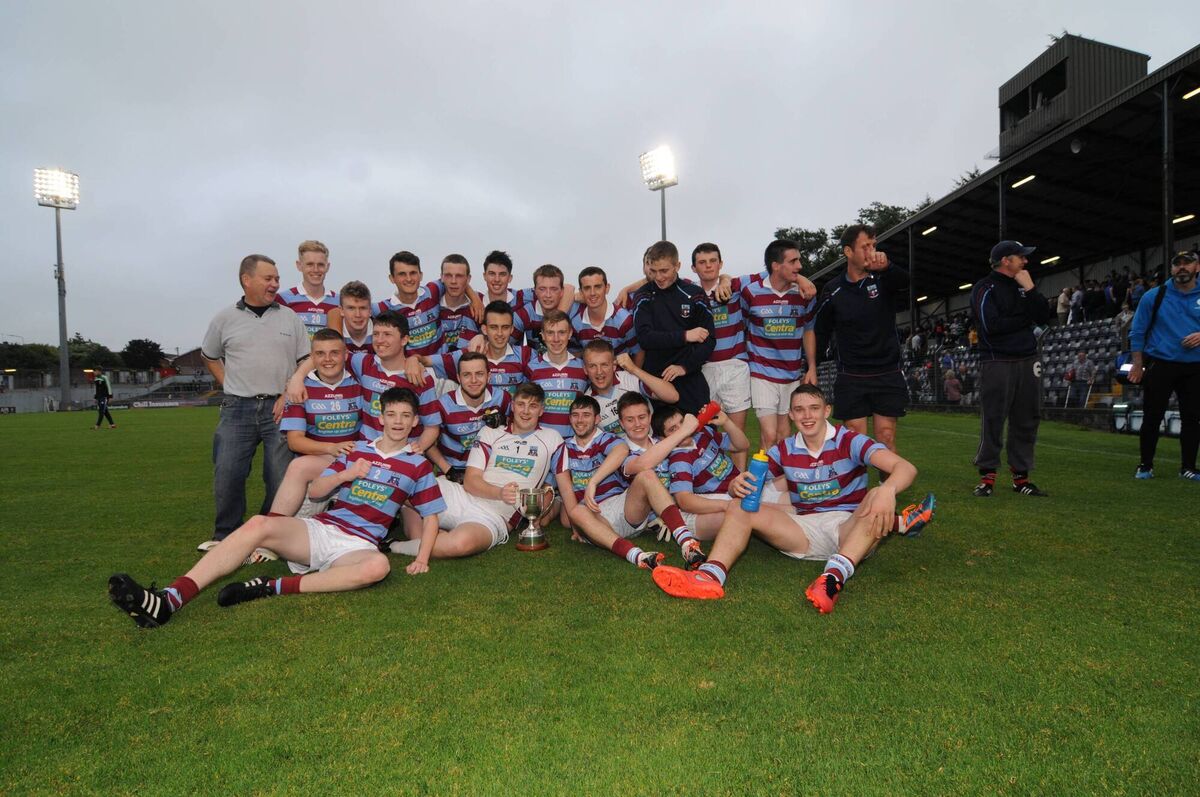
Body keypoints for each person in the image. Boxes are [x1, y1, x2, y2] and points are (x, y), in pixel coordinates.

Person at [107, 388, 445, 628]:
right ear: (380, 416)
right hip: (321, 531)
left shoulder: (416, 465)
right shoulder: (358, 451)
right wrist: (347, 473)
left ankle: (272, 586)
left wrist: (422, 559)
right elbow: (315, 491)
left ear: (415, 421)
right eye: (391, 414)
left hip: (358, 546)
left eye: (405, 416)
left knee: (377, 568)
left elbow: (430, 516)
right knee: (258, 524)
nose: (398, 421)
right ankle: (170, 599)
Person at [650, 384, 936, 614]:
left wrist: (886, 491)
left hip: (852, 527)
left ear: (827, 410)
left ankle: (832, 579)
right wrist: (741, 483)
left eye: (814, 408)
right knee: (740, 505)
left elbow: (905, 468)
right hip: (803, 530)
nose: (807, 416)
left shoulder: (849, 440)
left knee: (876, 496)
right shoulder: (785, 449)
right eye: (799, 410)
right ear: (790, 415)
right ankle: (709, 577)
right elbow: (752, 480)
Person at [199, 254, 309, 551]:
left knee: (278, 476)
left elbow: (306, 359)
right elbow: (209, 356)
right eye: (268, 278)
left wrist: (288, 393)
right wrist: (228, 384)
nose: (275, 284)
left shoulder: (289, 317)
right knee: (228, 472)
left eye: (277, 278)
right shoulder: (224, 318)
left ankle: (267, 535)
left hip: (279, 409)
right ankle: (225, 535)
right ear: (246, 280)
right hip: (237, 409)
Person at [387, 382, 563, 562]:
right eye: (521, 404)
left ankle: (394, 545)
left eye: (533, 406)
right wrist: (500, 492)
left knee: (459, 545)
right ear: (512, 406)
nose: (525, 411)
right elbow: (470, 482)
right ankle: (368, 533)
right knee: (396, 486)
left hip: (495, 516)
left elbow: (564, 486)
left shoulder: (552, 438)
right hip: (461, 495)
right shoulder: (491, 432)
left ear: (541, 410)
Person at [812, 224, 907, 453]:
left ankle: (888, 488)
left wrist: (889, 267)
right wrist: (811, 366)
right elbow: (821, 331)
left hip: (887, 371)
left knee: (885, 436)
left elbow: (906, 282)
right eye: (865, 246)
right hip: (851, 375)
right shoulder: (833, 289)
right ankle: (857, 489)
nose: (872, 251)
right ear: (848, 251)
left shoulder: (884, 278)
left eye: (874, 245)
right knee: (854, 440)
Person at [969, 241, 1051, 497]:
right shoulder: (985, 288)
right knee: (993, 417)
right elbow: (992, 325)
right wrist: (1025, 319)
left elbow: (1044, 316)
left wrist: (1031, 289)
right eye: (1020, 257)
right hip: (997, 360)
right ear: (1006, 260)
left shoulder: (1024, 285)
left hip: (1028, 358)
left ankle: (1021, 478)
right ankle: (987, 477)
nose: (1025, 262)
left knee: (1027, 418)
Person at [552, 395, 664, 570]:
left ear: (597, 419)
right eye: (575, 415)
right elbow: (567, 495)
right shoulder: (562, 450)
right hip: (596, 519)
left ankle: (686, 541)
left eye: (586, 415)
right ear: (570, 418)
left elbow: (621, 450)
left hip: (623, 510)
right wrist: (577, 525)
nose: (580, 420)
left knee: (646, 475)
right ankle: (637, 555)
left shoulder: (608, 439)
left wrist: (593, 483)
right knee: (576, 512)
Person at [270, 328, 362, 521]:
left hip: (354, 462)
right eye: (320, 353)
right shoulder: (300, 389)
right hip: (318, 465)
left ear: (346, 355)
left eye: (334, 353)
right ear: (312, 357)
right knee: (299, 469)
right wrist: (331, 447)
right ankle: (270, 531)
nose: (327, 359)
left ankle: (339, 505)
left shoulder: (359, 382)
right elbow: (294, 442)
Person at [1128, 250, 1200, 481]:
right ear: (1171, 269)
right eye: (1177, 264)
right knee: (1152, 416)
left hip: (1195, 366)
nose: (1182, 268)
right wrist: (1137, 365)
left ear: (1196, 267)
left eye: (1187, 264)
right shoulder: (1155, 295)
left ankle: (1188, 467)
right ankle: (1145, 465)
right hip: (1162, 364)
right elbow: (1137, 331)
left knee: (1193, 418)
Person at [742, 239, 819, 451]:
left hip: (792, 374)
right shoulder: (751, 292)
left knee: (785, 435)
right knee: (769, 435)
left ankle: (780, 483)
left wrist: (811, 367)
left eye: (799, 260)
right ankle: (763, 483)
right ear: (776, 265)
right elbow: (744, 327)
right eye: (793, 261)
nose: (799, 266)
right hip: (762, 373)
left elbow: (808, 330)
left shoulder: (805, 293)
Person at [632, 241, 716, 414]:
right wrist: (685, 336)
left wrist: (684, 367)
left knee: (701, 435)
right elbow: (645, 338)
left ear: (677, 266)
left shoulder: (694, 293)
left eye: (664, 270)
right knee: (661, 439)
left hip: (690, 379)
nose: (659, 277)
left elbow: (709, 340)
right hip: (656, 382)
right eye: (654, 271)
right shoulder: (643, 295)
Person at [374, 251, 483, 363]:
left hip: (442, 366)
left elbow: (456, 281)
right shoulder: (383, 307)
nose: (409, 279)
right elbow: (359, 308)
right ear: (392, 278)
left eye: (413, 273)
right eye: (402, 274)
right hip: (412, 369)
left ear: (421, 275)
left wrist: (475, 299)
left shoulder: (432, 291)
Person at [427, 351, 512, 483]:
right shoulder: (443, 405)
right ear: (458, 378)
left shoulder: (502, 398)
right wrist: (449, 470)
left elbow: (515, 431)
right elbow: (428, 443)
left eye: (479, 374)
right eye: (467, 375)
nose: (473, 380)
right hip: (454, 472)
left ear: (489, 376)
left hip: (490, 470)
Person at [428, 301, 536, 397]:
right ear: (484, 329)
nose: (499, 333)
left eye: (505, 327)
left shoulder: (526, 355)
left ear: (512, 329)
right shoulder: (470, 353)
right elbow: (425, 361)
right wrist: (414, 360)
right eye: (494, 327)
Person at [581, 340, 678, 435]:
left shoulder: (629, 379)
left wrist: (634, 369)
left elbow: (673, 397)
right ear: (585, 369)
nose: (599, 371)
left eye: (604, 365)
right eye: (592, 366)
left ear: (614, 365)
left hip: (652, 446)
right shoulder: (587, 403)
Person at [522, 309, 587, 438]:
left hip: (574, 443)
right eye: (550, 333)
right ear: (543, 335)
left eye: (561, 332)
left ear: (570, 334)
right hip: (541, 443)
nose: (556, 339)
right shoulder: (531, 368)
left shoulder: (583, 367)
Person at [568, 266, 639, 360]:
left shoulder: (624, 320)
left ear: (607, 288)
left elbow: (639, 353)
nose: (592, 293)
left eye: (597, 287)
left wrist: (632, 375)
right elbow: (575, 353)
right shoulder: (576, 323)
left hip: (621, 373)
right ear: (581, 292)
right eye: (587, 288)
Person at [275, 240, 339, 338]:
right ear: (299, 265)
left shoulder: (339, 302)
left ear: (328, 267)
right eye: (310, 264)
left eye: (321, 265)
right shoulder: (282, 300)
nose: (316, 269)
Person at [511, 264, 568, 354]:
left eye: (553, 289)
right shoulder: (525, 313)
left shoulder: (572, 311)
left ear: (562, 291)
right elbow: (501, 344)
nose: (548, 295)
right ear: (535, 291)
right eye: (542, 289)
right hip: (535, 365)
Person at [327, 280, 374, 354]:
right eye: (351, 308)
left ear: (370, 310)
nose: (358, 315)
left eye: (362, 308)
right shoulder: (331, 336)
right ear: (341, 310)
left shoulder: (381, 333)